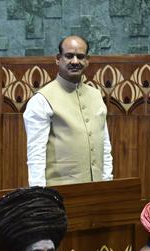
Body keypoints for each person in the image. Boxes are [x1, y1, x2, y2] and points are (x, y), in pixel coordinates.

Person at [23, 35, 112, 187]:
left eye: (80, 57)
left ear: (87, 60)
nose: (75, 61)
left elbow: (104, 145)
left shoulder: (96, 95)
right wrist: (39, 196)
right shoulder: (42, 100)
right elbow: (36, 155)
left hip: (97, 190)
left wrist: (107, 183)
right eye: (69, 56)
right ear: (58, 59)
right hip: (59, 192)